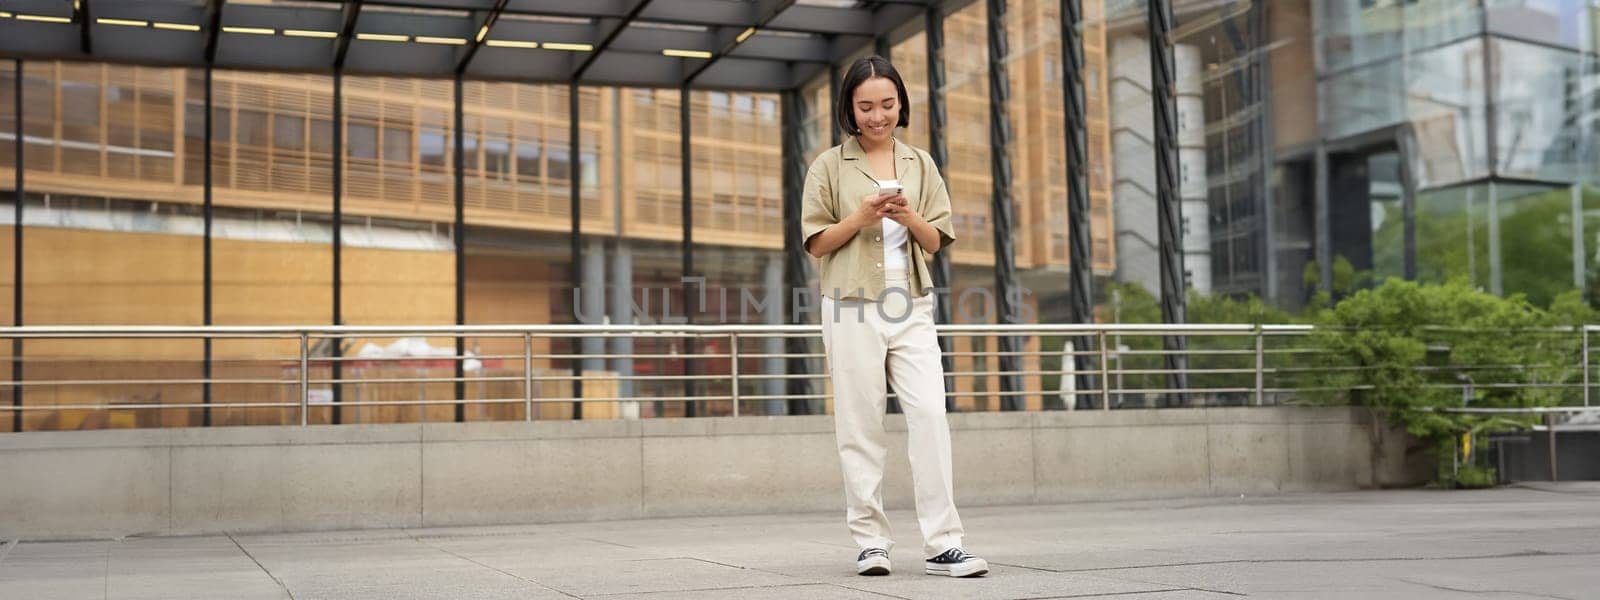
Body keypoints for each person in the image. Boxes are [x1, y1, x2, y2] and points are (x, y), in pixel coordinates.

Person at [800, 55, 988, 579]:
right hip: (850, 306)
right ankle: (871, 543)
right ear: (850, 109)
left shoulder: (920, 164)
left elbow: (935, 241)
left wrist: (909, 215)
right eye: (866, 106)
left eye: (887, 104)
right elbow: (815, 242)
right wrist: (860, 217)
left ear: (901, 104)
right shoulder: (829, 167)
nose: (877, 115)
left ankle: (944, 542)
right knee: (860, 427)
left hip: (910, 306)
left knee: (929, 415)